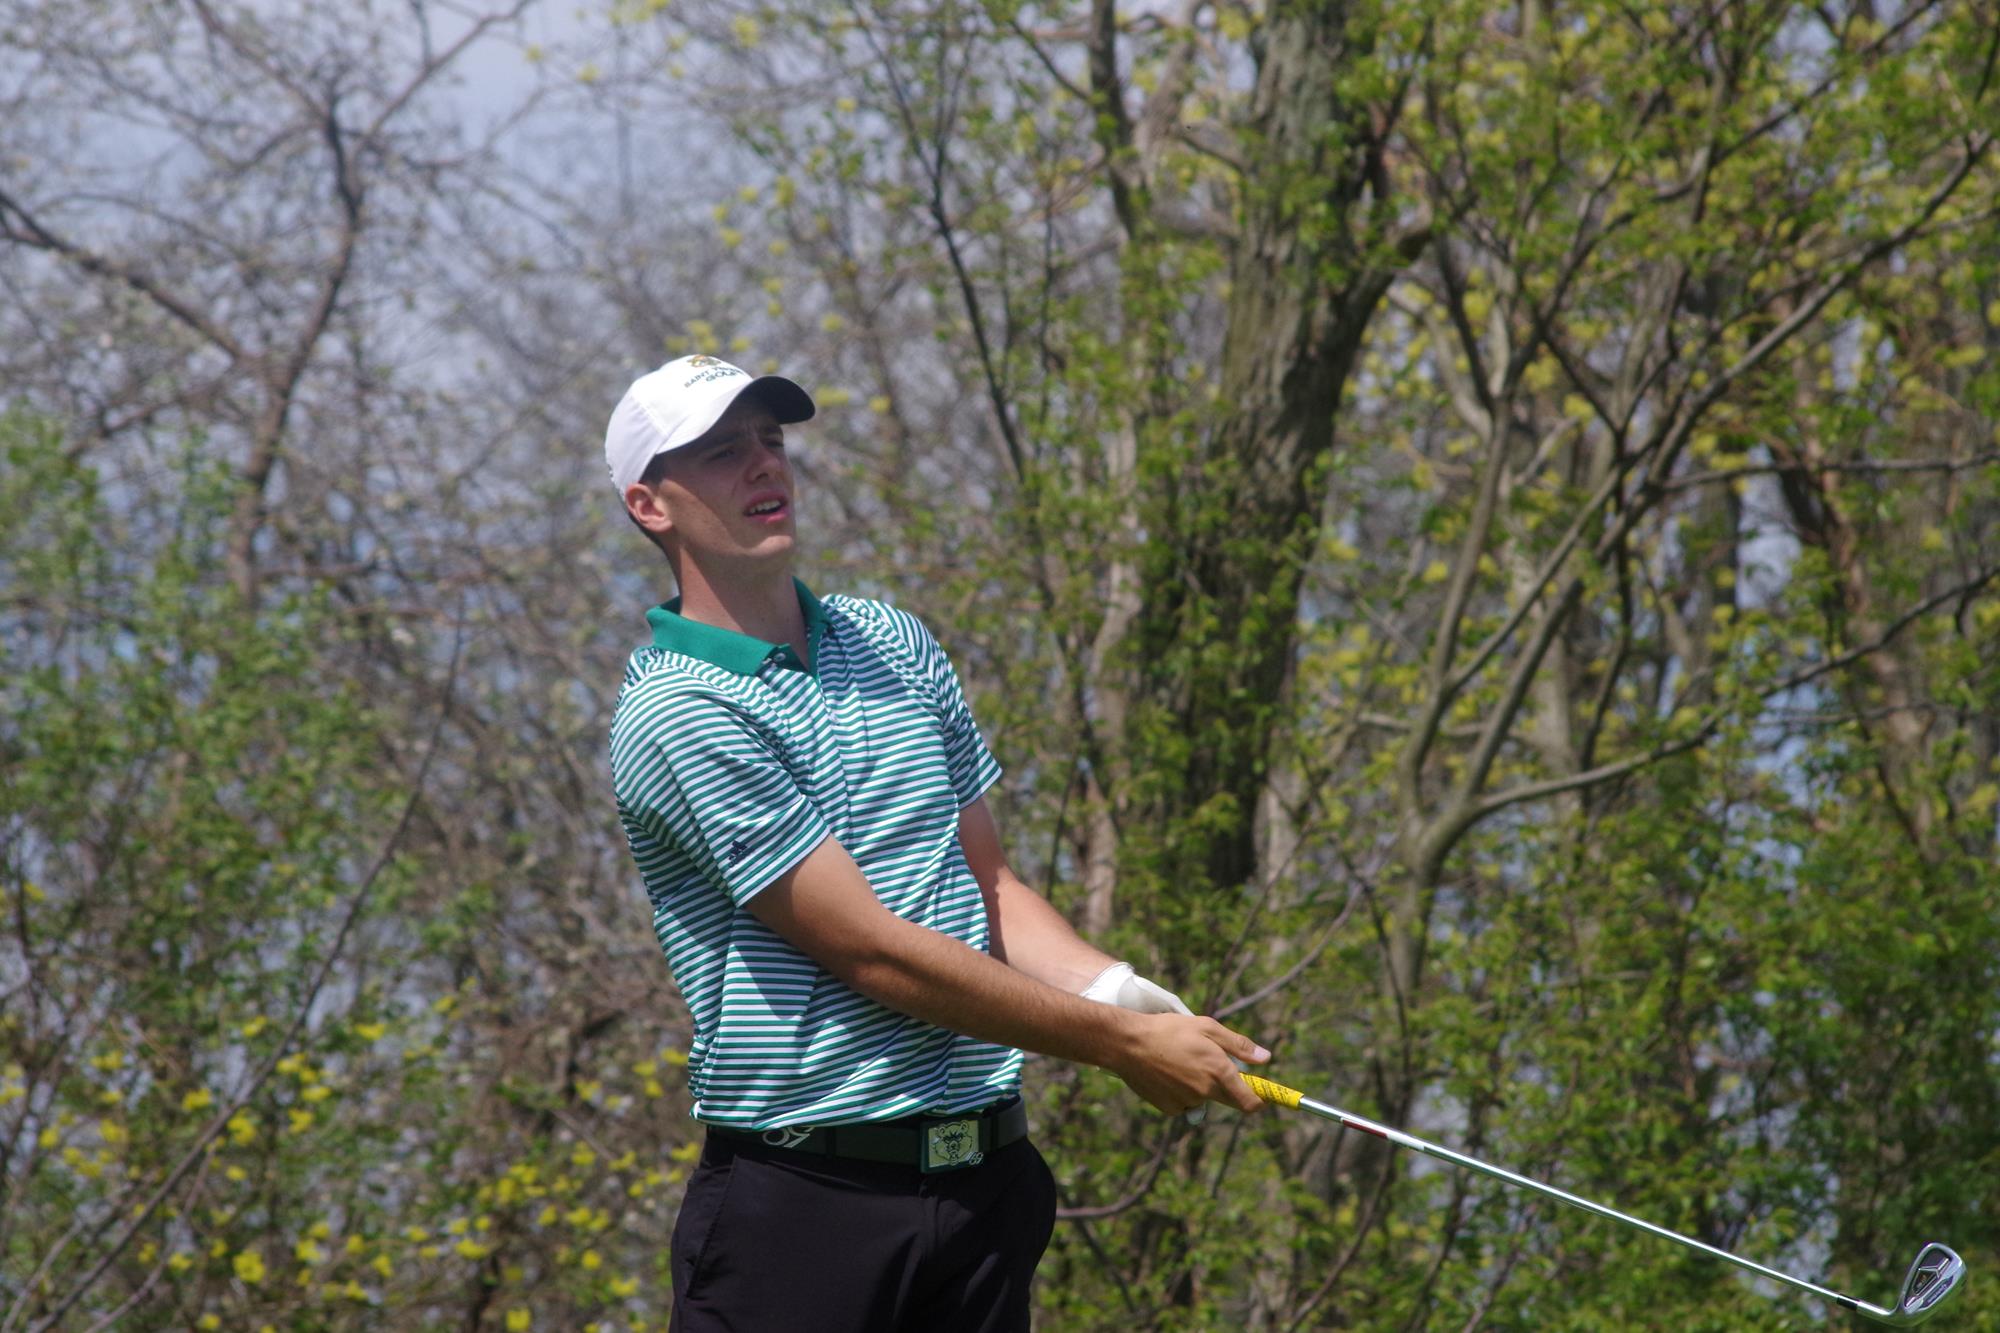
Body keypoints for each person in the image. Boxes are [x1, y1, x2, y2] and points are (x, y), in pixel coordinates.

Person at [603, 354, 1269, 1332]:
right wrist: (1122, 1045)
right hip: (807, 1207)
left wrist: (1115, 990)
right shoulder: (679, 710)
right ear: (648, 504)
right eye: (720, 451)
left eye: (771, 439)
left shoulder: (893, 640)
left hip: (985, 1191)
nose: (764, 465)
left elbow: (985, 881)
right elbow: (871, 951)